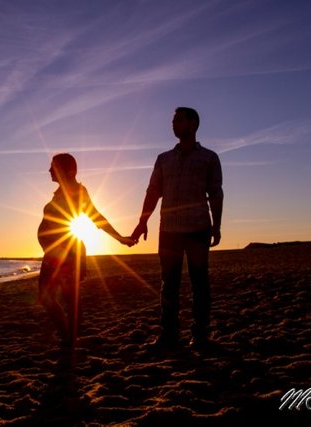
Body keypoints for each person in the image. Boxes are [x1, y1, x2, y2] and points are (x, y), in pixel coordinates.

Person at [131, 107, 223, 350]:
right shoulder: (164, 159)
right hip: (169, 230)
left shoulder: (209, 158)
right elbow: (153, 192)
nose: (174, 124)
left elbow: (215, 193)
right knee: (168, 284)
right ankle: (169, 335)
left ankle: (200, 335)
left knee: (199, 283)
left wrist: (217, 226)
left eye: (179, 120)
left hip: (198, 228)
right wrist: (142, 222)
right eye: (173, 121)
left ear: (193, 124)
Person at [38, 153, 135, 347]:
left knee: (69, 298)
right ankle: (67, 335)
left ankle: (70, 339)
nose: (49, 170)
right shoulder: (58, 193)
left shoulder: (78, 192)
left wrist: (120, 238)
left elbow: (96, 217)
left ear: (68, 170)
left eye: (53, 167)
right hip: (52, 254)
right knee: (45, 297)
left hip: (68, 252)